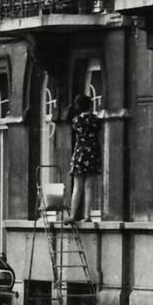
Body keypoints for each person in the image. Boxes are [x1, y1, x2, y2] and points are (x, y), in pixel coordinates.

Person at [66, 91, 102, 222]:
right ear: (90, 105)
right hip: (92, 154)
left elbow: (76, 131)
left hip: (80, 153)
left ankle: (72, 215)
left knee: (77, 186)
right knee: (89, 186)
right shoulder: (96, 120)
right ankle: (87, 216)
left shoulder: (76, 120)